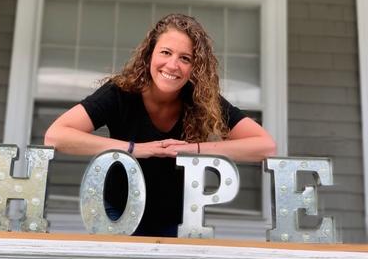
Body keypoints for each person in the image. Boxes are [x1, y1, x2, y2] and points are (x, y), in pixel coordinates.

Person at [44, 13, 276, 237]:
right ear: (149, 56)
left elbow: (265, 146)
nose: (173, 65)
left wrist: (193, 149)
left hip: (176, 219)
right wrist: (137, 149)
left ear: (195, 67)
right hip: (118, 213)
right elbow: (56, 135)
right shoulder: (120, 93)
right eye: (166, 52)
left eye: (185, 58)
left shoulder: (202, 99)